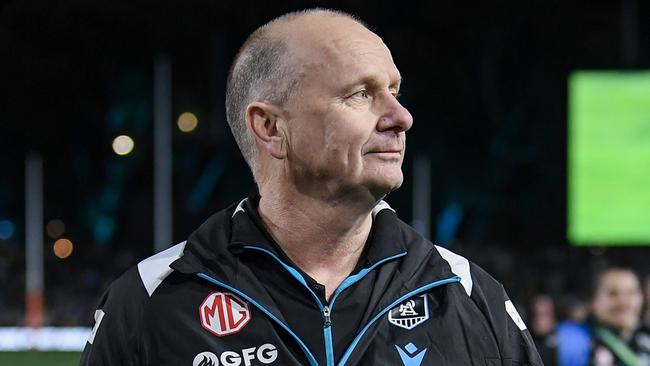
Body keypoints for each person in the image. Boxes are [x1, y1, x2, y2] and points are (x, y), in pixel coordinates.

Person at [80, 8, 542, 365]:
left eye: (394, 92)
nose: (401, 118)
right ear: (270, 128)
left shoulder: (468, 295)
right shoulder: (151, 302)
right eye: (360, 94)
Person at [556, 266, 650, 365]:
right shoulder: (571, 341)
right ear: (593, 301)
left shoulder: (645, 342)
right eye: (613, 293)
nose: (624, 303)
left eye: (631, 293)